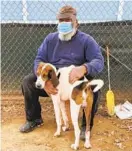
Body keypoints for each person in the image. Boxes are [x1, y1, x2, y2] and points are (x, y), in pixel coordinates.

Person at [20, 5, 104, 140]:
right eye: (61, 20)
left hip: (74, 82)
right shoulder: (50, 39)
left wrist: (84, 68)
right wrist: (44, 81)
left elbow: (98, 61)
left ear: (76, 22)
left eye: (68, 20)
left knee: (93, 90)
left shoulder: (86, 40)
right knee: (28, 82)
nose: (64, 23)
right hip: (53, 81)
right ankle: (34, 119)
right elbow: (39, 59)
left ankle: (85, 127)